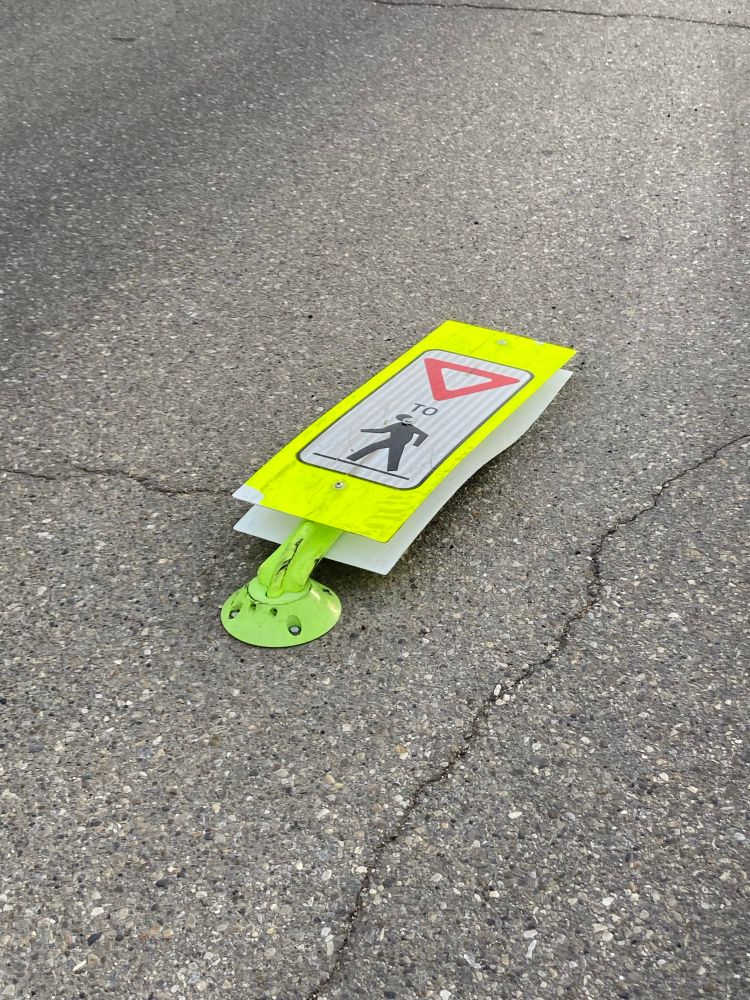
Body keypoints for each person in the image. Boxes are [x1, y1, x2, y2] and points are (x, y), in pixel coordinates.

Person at [347, 414, 428, 473]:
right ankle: (351, 458)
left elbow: (423, 435)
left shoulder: (411, 428)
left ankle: (390, 473)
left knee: (394, 459)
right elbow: (382, 430)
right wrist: (364, 430)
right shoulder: (397, 425)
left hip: (398, 444)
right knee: (373, 446)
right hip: (391, 441)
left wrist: (415, 444)